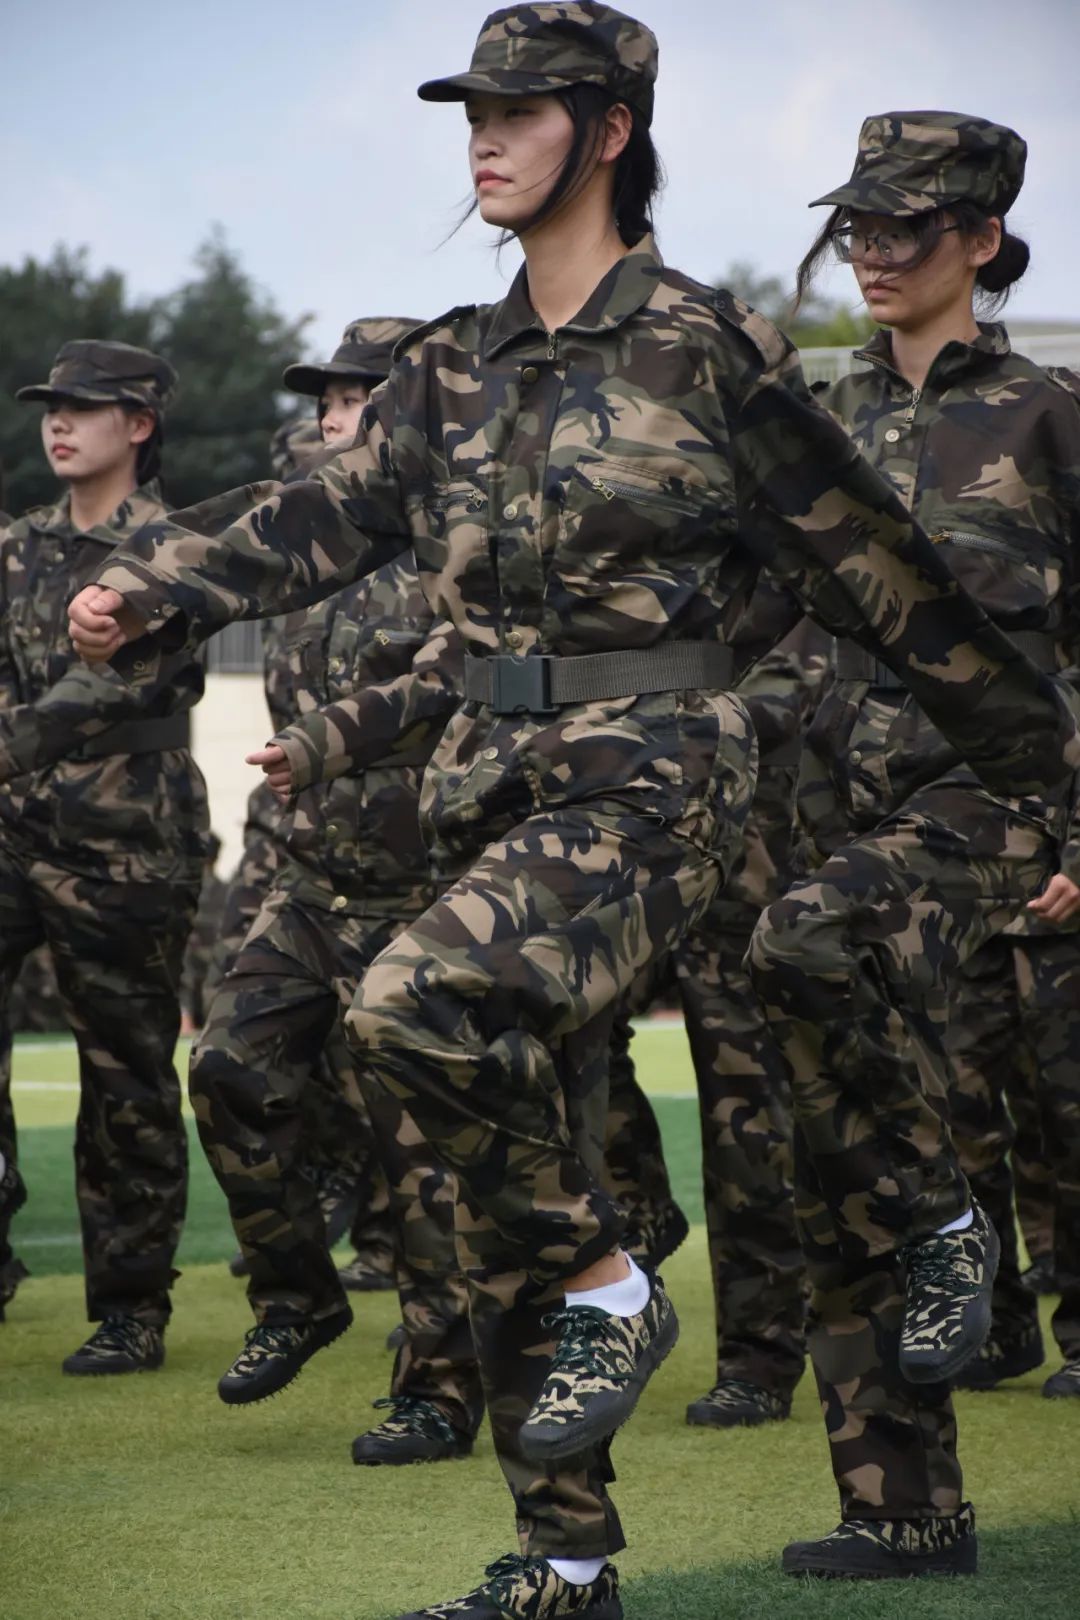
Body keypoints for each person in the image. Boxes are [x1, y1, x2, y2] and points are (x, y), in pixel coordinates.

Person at [68, 11, 1079, 1613]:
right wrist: (151, 582)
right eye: (473, 109)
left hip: (660, 777)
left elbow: (879, 571)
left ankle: (632, 1287)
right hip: (496, 786)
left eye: (522, 110)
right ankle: (564, 1556)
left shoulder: (704, 345)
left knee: (413, 1003)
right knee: (490, 1152)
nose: (483, 136)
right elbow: (319, 512)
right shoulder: (449, 365)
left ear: (607, 132)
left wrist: (1043, 787)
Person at [748, 110, 1080, 1579]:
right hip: (832, 827)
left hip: (997, 836)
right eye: (858, 229)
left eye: (907, 228)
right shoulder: (812, 421)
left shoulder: (1050, 416)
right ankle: (903, 1506)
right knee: (840, 1158)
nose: (874, 253)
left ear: (984, 239)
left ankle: (959, 1221)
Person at [0, 340, 209, 1372]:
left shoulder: (176, 547)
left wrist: (13, 743)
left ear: (139, 424)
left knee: (124, 1077)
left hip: (127, 840)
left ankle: (131, 1305)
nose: (59, 422)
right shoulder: (18, 546)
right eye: (53, 405)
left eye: (83, 407)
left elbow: (122, 678)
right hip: (11, 828)